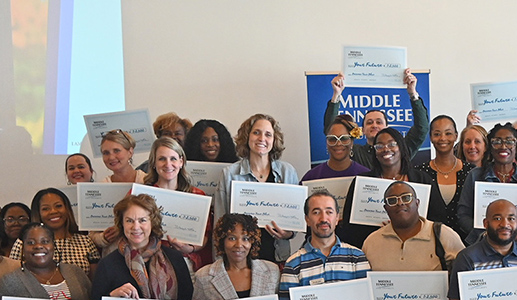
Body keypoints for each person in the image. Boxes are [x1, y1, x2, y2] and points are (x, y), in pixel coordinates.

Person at [216, 113, 298, 262]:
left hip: (277, 256)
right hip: (240, 259)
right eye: (256, 133)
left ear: (274, 140)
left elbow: (296, 221)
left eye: (268, 134)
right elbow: (220, 224)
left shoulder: (288, 172)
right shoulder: (229, 174)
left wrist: (288, 234)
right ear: (247, 137)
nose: (262, 139)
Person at [336, 126, 432, 248]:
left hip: (419, 247)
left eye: (392, 144)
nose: (386, 149)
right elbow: (350, 227)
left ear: (401, 148)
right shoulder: (361, 182)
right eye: (379, 146)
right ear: (375, 152)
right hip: (373, 249)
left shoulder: (422, 180)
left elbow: (437, 218)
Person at [456, 123, 517, 246]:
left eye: (509, 141)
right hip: (483, 245)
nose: (503, 146)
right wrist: (484, 234)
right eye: (497, 142)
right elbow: (463, 214)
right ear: (490, 147)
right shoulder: (475, 176)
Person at [324, 68, 430, 168]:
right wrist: (336, 94)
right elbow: (332, 131)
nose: (374, 125)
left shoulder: (400, 149)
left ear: (387, 127)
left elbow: (421, 129)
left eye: (379, 122)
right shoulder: (354, 151)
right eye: (369, 122)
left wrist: (413, 93)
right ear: (363, 130)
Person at [142, 137, 213, 270]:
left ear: (181, 162)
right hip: (149, 263)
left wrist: (190, 248)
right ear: (153, 163)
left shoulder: (197, 195)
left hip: (186, 261)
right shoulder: (141, 196)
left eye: (173, 159)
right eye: (162, 159)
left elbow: (204, 236)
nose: (168, 164)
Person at [9, 188, 100, 275]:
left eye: (58, 206)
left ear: (67, 208)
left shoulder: (85, 242)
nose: (53, 211)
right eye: (45, 209)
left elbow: (94, 283)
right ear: (38, 213)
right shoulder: (22, 243)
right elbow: (14, 278)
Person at [413, 115, 472, 240]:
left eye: (448, 133)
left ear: (456, 136)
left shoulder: (471, 172)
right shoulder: (419, 173)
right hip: (429, 243)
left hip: (467, 243)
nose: (443, 138)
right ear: (431, 138)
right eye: (437, 134)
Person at [300, 114, 372, 181]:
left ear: (352, 142)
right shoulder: (312, 177)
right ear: (326, 142)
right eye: (332, 139)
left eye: (344, 138)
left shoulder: (365, 176)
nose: (338, 143)